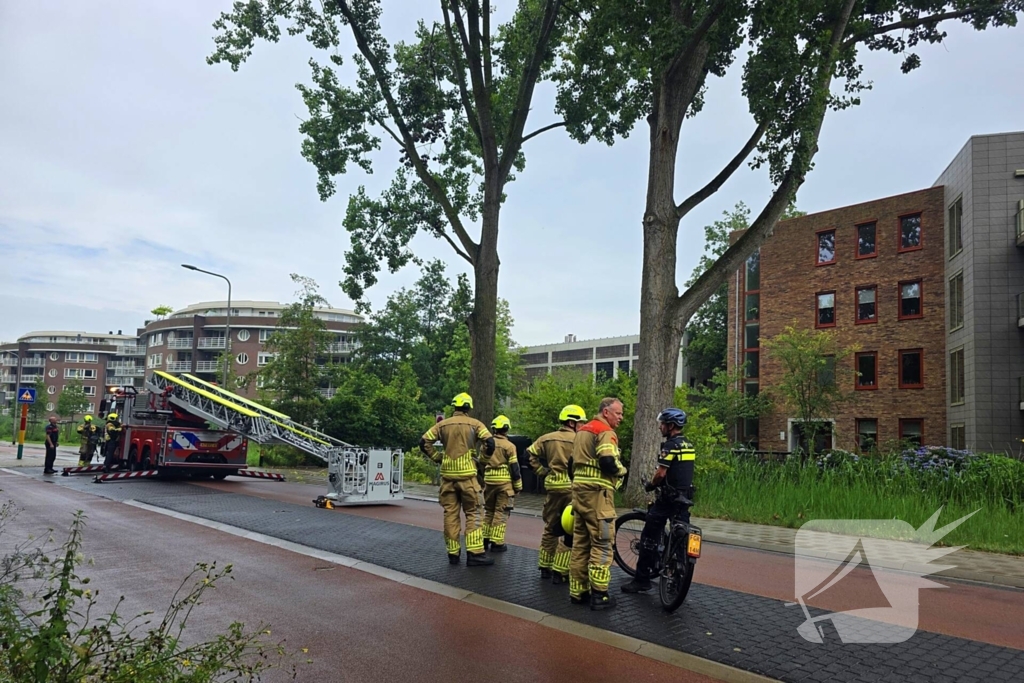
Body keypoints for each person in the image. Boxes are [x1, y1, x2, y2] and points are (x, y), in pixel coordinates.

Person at [621, 408, 695, 594]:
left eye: (663, 424)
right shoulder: (688, 445)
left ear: (671, 426)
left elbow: (661, 473)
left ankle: (641, 580)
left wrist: (650, 486)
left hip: (668, 499)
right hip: (684, 498)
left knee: (649, 537)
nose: (660, 427)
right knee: (680, 538)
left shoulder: (669, 446)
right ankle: (678, 580)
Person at [420, 393, 496, 567]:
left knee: (450, 514)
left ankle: (453, 554)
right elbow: (490, 443)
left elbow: (423, 442)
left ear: (454, 407)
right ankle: (475, 554)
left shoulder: (442, 425)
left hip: (447, 477)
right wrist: (482, 461)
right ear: (468, 407)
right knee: (474, 512)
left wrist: (438, 457)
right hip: (468, 476)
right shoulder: (475, 424)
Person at [569, 397, 627, 610]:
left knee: (580, 543)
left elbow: (570, 464)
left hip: (579, 494)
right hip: (598, 496)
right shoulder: (605, 432)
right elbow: (607, 461)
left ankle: (577, 592)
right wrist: (622, 471)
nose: (620, 417)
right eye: (618, 413)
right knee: (602, 543)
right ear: (605, 412)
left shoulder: (582, 431)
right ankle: (600, 595)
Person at [528, 404, 586, 584]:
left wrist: (541, 471)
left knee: (550, 527)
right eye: (581, 423)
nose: (583, 426)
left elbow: (530, 455)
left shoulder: (546, 438)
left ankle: (545, 566)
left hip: (553, 488)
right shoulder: (580, 440)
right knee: (571, 531)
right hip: (573, 488)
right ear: (572, 422)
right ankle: (560, 570)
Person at [481, 415, 522, 552]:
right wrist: (518, 486)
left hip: (488, 482)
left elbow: (481, 463)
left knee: (489, 511)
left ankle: (484, 539)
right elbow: (514, 469)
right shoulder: (509, 446)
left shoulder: (486, 444)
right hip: (504, 484)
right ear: (506, 429)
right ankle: (497, 542)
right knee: (501, 512)